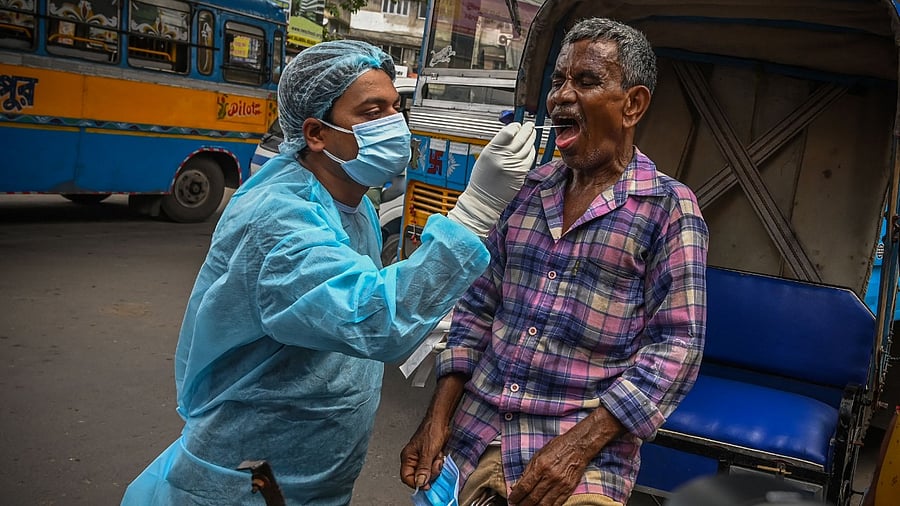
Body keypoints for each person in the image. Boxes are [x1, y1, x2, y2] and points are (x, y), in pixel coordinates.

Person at [122, 40, 536, 505]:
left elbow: (351, 307)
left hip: (310, 478)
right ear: (316, 132)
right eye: (372, 111)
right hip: (248, 481)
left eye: (394, 108)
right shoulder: (277, 219)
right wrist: (475, 211)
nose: (394, 126)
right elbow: (373, 317)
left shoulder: (351, 205)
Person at [400, 18, 709, 506]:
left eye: (586, 82)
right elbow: (476, 311)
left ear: (632, 105)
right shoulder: (525, 191)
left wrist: (578, 446)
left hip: (583, 453)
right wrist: (436, 419)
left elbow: (677, 347)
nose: (561, 97)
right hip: (475, 433)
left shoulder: (668, 208)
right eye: (558, 81)